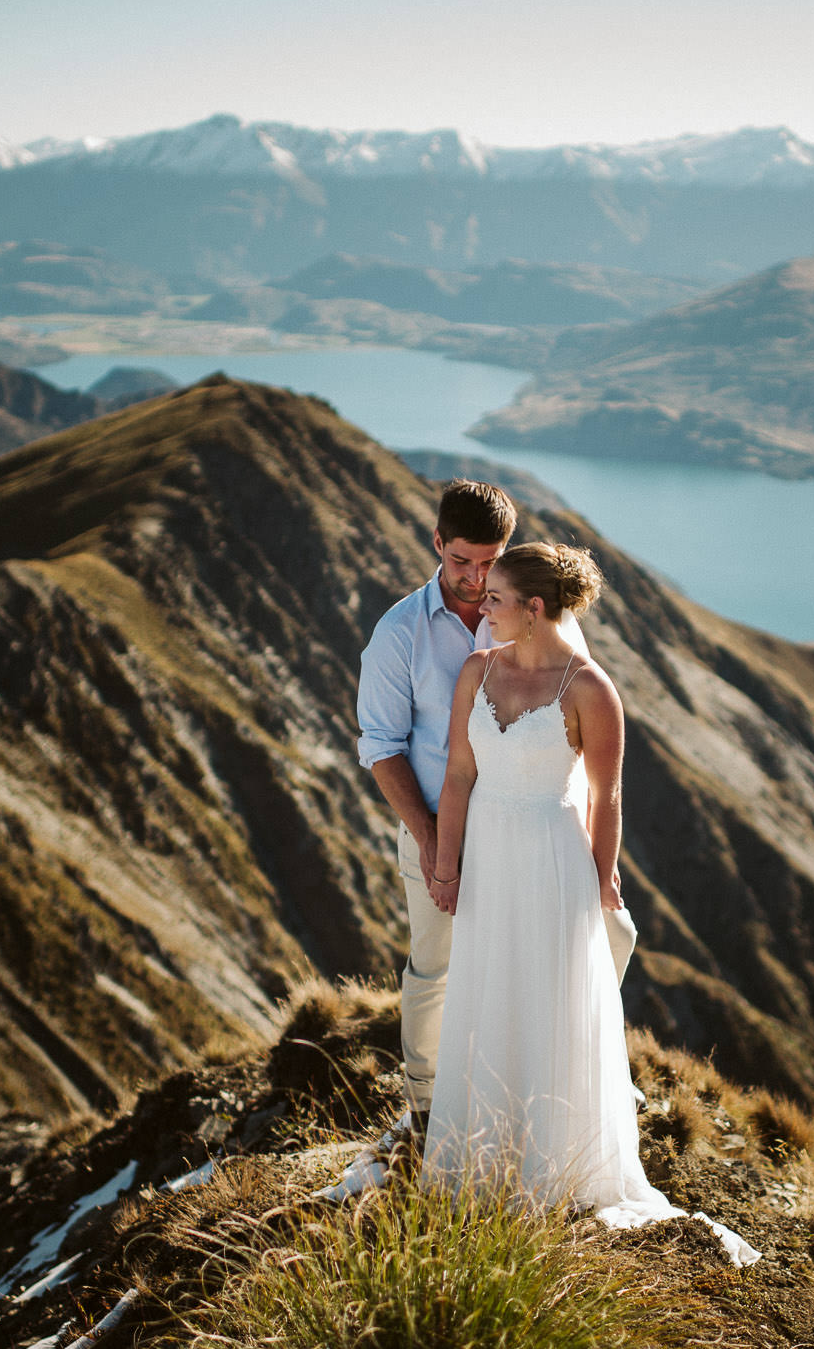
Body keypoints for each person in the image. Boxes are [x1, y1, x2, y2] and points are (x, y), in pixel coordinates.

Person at [421, 543, 753, 1261]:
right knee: (487, 993)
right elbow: (457, 774)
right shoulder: (477, 671)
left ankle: (553, 1168)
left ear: (535, 609)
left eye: (497, 598)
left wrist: (601, 884)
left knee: (550, 1002)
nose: (482, 606)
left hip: (552, 862)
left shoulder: (590, 689)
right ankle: (483, 1156)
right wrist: (445, 867)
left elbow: (607, 798)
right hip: (487, 859)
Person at [355, 479, 517, 1135]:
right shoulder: (399, 633)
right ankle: (424, 1109)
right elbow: (381, 746)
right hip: (432, 827)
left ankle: (510, 1090)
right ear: (436, 543)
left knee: (526, 955)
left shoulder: (528, 618)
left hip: (517, 827)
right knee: (434, 967)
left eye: (490, 562)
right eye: (461, 561)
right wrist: (429, 839)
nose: (476, 579)